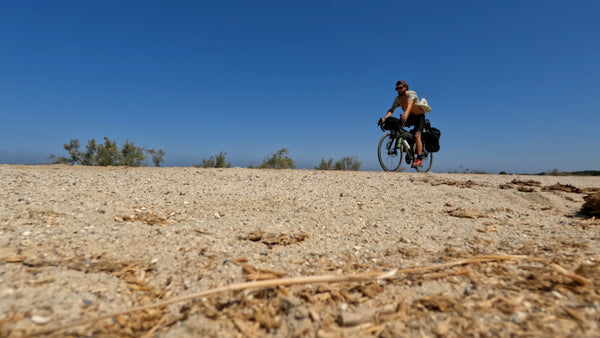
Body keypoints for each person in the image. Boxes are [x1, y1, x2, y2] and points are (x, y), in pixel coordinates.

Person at [380, 80, 430, 167]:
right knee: (397, 127)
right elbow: (391, 110)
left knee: (417, 135)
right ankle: (408, 147)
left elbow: (409, 105)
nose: (398, 90)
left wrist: (405, 115)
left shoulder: (411, 94)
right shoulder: (398, 98)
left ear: (406, 87)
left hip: (419, 117)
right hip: (410, 117)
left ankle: (419, 159)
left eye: (400, 88)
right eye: (397, 89)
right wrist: (384, 119)